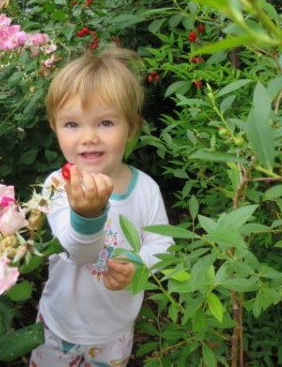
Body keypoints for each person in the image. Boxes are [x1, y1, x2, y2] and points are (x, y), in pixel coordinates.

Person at [29, 48, 174, 367]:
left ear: (132, 127)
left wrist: (139, 264)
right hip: (61, 323)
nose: (88, 137)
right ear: (55, 127)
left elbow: (164, 245)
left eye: (106, 122)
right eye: (72, 124)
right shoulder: (58, 185)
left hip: (115, 329)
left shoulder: (145, 189)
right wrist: (87, 214)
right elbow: (76, 251)